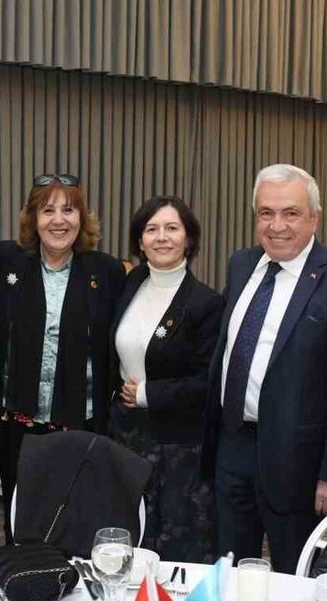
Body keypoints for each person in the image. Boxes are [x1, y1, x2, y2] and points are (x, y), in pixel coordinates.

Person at [202, 164, 327, 574]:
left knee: (293, 577)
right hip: (232, 445)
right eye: (266, 213)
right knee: (230, 568)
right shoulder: (241, 264)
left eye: (291, 213)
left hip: (298, 461)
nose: (277, 225)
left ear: (315, 218)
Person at [0, 174, 126, 544]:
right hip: (19, 425)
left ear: (82, 218)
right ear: (33, 219)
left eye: (69, 210)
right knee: (21, 522)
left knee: (75, 521)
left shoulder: (106, 271)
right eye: (47, 210)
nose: (58, 220)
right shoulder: (5, 261)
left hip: (81, 423)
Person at [110, 196, 223, 562]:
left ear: (188, 239)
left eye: (172, 228)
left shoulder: (205, 303)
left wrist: (148, 393)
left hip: (178, 447)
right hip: (125, 434)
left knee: (174, 546)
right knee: (126, 537)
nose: (162, 237)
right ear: (139, 241)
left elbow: (207, 381)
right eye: (152, 229)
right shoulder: (131, 284)